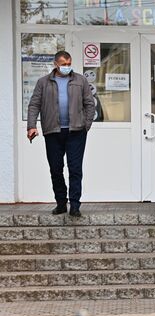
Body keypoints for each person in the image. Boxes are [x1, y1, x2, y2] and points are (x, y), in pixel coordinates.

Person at [26, 50, 95, 217]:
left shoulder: (80, 80)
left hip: (76, 132)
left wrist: (85, 125)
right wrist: (31, 125)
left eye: (69, 64)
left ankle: (75, 205)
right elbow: (34, 104)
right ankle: (61, 203)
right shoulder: (43, 82)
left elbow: (89, 104)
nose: (67, 67)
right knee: (56, 169)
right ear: (55, 64)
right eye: (64, 64)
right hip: (53, 132)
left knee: (75, 169)